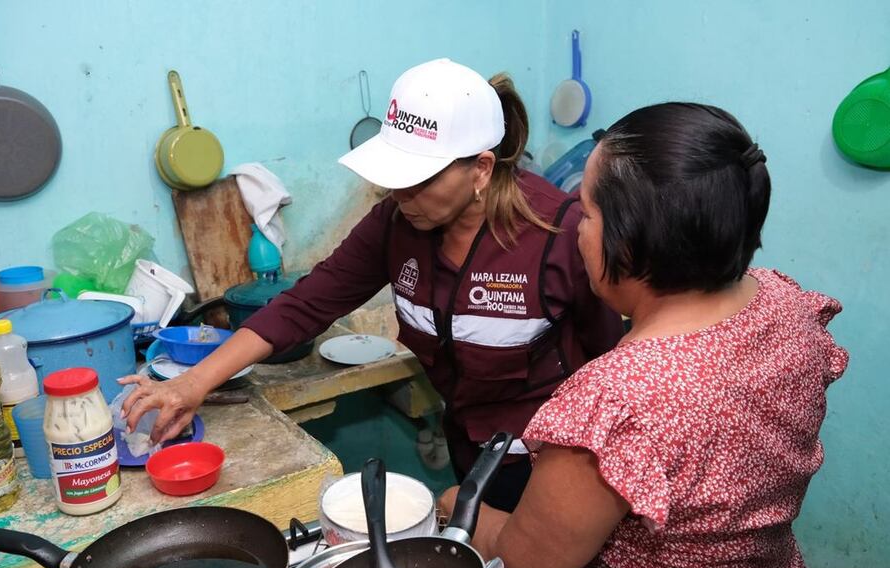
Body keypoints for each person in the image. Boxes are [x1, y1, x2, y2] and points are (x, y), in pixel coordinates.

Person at [120, 58, 623, 511]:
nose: (397, 192)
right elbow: (305, 304)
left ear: (481, 169)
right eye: (393, 174)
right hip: (470, 450)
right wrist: (191, 384)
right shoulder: (396, 223)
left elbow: (612, 364)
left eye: (419, 178)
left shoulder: (561, 234)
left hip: (556, 467)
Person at [437, 102, 850, 568]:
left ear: (628, 242)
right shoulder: (784, 304)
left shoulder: (620, 400)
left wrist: (458, 505)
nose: (578, 231)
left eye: (586, 213)